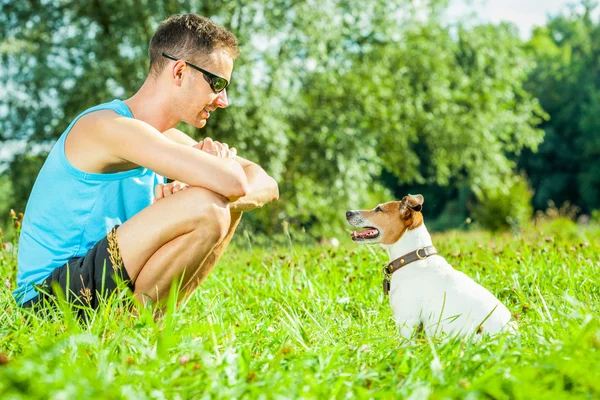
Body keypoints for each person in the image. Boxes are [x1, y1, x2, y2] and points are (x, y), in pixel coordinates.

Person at [13, 14, 279, 312]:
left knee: (219, 206)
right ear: (179, 72)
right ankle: (130, 335)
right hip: (48, 298)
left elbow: (265, 182)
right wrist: (208, 184)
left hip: (102, 279)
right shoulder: (108, 126)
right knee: (209, 206)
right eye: (217, 83)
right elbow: (235, 181)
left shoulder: (168, 139)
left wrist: (203, 187)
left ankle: (149, 328)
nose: (223, 100)